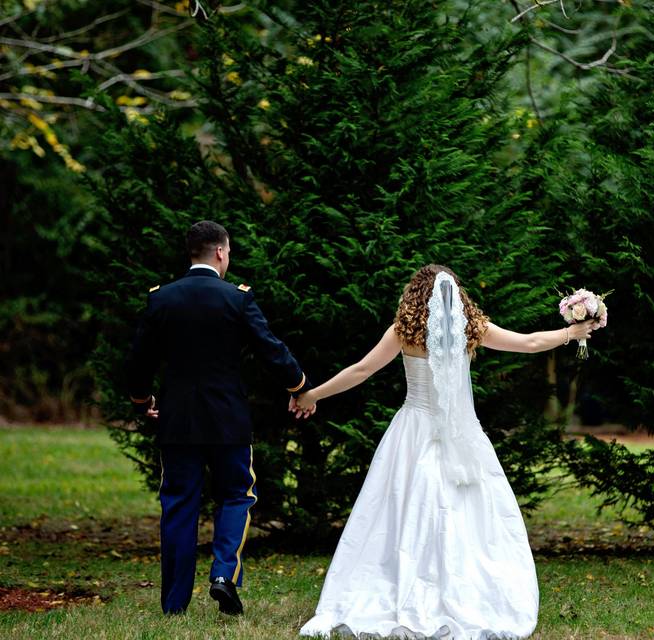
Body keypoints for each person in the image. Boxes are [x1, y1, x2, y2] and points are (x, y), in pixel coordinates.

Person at [295, 264, 600, 639]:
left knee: (401, 510)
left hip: (412, 432)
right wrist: (571, 332)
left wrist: (312, 395)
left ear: (415, 294)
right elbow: (530, 342)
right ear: (456, 297)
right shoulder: (471, 328)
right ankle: (461, 589)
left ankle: (401, 583)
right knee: (462, 512)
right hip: (461, 433)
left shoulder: (403, 332)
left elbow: (360, 371)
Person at [127, 220, 314, 616]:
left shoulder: (162, 299)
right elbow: (271, 349)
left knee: (178, 504)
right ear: (220, 252)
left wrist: (142, 400)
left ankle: (174, 604)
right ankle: (223, 576)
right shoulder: (237, 299)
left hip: (177, 422)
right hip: (228, 421)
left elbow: (138, 361)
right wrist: (299, 386)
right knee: (236, 496)